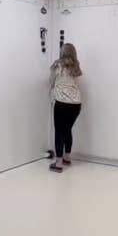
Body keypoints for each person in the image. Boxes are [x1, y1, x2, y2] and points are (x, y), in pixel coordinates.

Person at [49, 43, 82, 173]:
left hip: (62, 103)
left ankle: (58, 163)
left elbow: (52, 80)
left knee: (59, 132)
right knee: (67, 130)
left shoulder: (57, 65)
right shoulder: (76, 66)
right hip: (76, 105)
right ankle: (67, 157)